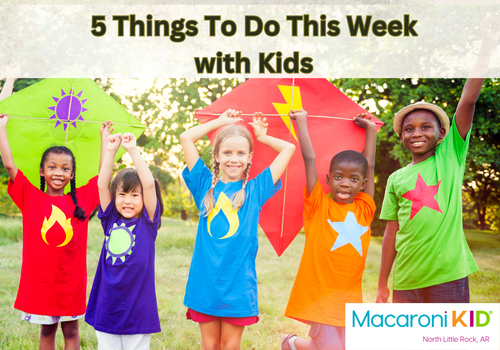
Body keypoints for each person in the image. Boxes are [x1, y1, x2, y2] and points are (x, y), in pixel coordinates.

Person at [376, 15, 499, 304]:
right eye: (409, 129)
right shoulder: (396, 179)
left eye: (425, 127)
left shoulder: (450, 156)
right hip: (406, 281)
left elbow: (468, 100)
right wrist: (383, 283)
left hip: (449, 276)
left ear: (442, 133)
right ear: (401, 136)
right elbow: (390, 235)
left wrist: (488, 45)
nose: (416, 133)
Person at [180, 109, 295, 350]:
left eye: (241, 153)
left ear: (250, 157)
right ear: (217, 156)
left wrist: (262, 137)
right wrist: (221, 122)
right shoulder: (204, 185)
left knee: (230, 346)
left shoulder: (256, 190)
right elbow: (186, 138)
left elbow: (288, 149)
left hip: (238, 285)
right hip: (206, 284)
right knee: (209, 345)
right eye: (228, 152)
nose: (234, 158)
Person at [1, 110, 109, 349]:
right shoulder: (30, 197)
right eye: (52, 167)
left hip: (70, 283)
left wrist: (104, 138)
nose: (58, 173)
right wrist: (2, 127)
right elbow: (9, 164)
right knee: (47, 330)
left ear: (72, 174)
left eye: (65, 169)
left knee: (71, 330)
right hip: (42, 283)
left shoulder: (79, 200)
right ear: (42, 171)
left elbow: (103, 177)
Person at [281, 109, 377, 350]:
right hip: (319, 299)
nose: (345, 183)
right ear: (328, 179)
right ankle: (293, 342)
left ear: (363, 184)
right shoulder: (319, 205)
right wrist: (301, 121)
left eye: (353, 179)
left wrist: (372, 130)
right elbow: (309, 159)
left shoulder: (365, 208)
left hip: (348, 301)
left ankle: (292, 344)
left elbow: (371, 165)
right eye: (338, 177)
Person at [85, 132, 164, 349]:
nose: (127, 201)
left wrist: (132, 151)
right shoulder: (110, 218)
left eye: (134, 195)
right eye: (122, 194)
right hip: (107, 306)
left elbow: (148, 185)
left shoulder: (147, 222)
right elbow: (102, 186)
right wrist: (110, 152)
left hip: (138, 310)